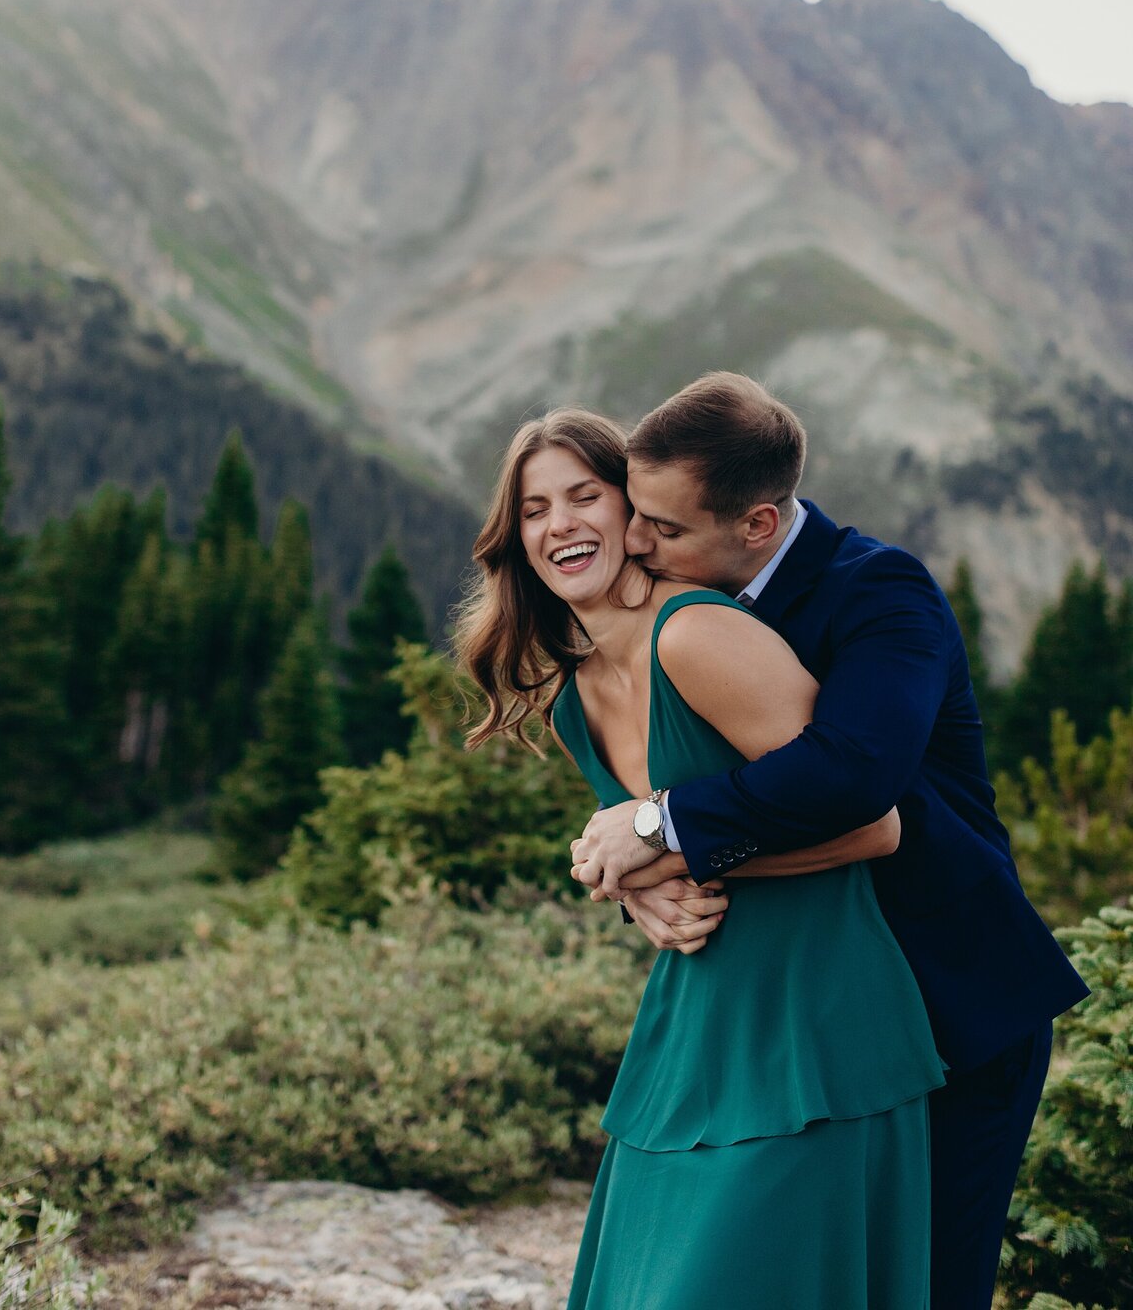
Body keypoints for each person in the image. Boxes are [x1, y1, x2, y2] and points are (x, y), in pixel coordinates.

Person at [570, 372, 1089, 1310]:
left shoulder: (881, 592)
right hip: (803, 1018)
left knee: (923, 1282)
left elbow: (854, 774)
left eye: (667, 527)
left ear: (759, 524)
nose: (636, 542)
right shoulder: (670, 606)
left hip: (947, 990)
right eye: (635, 515)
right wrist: (632, 874)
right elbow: (648, 768)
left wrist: (660, 829)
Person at [458, 408, 947, 1309]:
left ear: (633, 511)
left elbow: (873, 824)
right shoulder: (575, 701)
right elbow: (664, 844)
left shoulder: (697, 633)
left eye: (583, 497)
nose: (558, 523)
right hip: (689, 1034)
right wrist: (637, 889)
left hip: (814, 1029)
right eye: (533, 509)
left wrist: (655, 858)